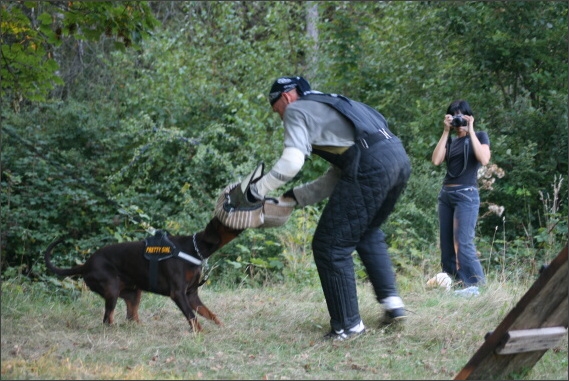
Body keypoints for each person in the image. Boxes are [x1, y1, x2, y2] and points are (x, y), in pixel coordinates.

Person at [245, 76, 412, 340]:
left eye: (275, 108)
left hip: (372, 164)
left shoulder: (297, 109)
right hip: (398, 159)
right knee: (367, 232)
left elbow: (291, 162)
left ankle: (348, 328)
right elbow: (344, 172)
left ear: (286, 97)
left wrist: (256, 191)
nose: (279, 116)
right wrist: (292, 198)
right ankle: (392, 304)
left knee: (330, 245)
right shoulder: (339, 105)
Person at [431, 100, 490, 289]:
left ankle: (478, 288)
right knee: (447, 247)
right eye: (453, 115)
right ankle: (454, 285)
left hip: (466, 194)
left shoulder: (480, 135)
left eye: (461, 115)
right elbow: (436, 160)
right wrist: (446, 131)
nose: (458, 119)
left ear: (469, 116)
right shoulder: (451, 140)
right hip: (446, 195)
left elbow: (484, 159)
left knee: (463, 244)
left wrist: (471, 130)